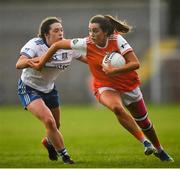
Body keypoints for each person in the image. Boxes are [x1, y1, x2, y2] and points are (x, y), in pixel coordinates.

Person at [32, 15, 174, 162]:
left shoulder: (117, 40)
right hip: (104, 85)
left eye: (95, 31)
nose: (91, 35)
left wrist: (114, 71)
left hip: (128, 85)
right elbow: (57, 45)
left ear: (106, 32)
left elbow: (135, 64)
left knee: (144, 122)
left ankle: (159, 149)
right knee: (117, 108)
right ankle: (145, 142)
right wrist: (41, 62)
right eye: (89, 31)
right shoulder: (85, 43)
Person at [16, 16, 86, 164]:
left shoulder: (67, 46)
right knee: (49, 121)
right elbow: (19, 63)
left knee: (56, 125)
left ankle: (48, 142)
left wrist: (107, 63)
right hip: (29, 88)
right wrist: (36, 61)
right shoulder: (35, 44)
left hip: (49, 89)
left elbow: (89, 59)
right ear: (46, 35)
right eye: (56, 30)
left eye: (61, 30)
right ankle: (65, 156)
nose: (60, 33)